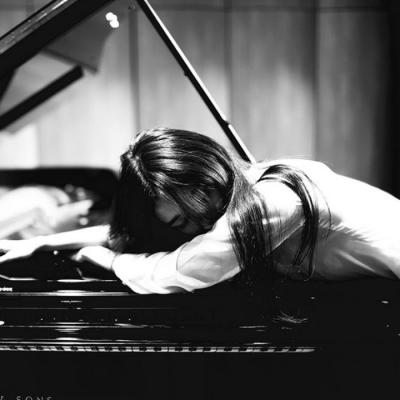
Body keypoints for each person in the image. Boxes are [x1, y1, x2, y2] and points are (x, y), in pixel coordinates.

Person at [0, 127, 399, 294]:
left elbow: (183, 270)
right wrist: (47, 241)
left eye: (202, 197)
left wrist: (105, 258)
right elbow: (141, 236)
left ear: (208, 166)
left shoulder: (273, 200)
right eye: (181, 222)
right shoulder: (254, 187)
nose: (205, 222)